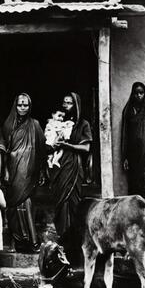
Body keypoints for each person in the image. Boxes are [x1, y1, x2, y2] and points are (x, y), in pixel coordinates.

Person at [3, 93, 46, 253]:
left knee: (26, 203)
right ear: (15, 105)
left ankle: (32, 241)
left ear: (29, 107)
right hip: (13, 170)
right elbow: (4, 151)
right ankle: (17, 241)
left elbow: (42, 150)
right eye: (20, 105)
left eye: (25, 105)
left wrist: (41, 171)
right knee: (13, 206)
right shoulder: (8, 125)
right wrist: (5, 171)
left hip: (29, 171)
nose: (22, 108)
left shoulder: (35, 125)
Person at [49, 93, 92, 244]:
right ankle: (61, 236)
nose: (66, 106)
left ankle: (72, 239)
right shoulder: (59, 122)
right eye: (64, 102)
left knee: (71, 200)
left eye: (70, 103)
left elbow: (86, 148)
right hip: (59, 166)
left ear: (76, 105)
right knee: (60, 200)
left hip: (73, 164)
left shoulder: (83, 124)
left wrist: (68, 146)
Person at [121, 82, 145, 206]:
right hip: (133, 158)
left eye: (141, 93)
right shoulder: (128, 112)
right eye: (136, 93)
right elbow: (124, 136)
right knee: (134, 187)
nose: (138, 95)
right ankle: (135, 216)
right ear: (132, 94)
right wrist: (125, 158)